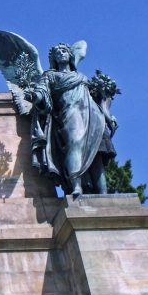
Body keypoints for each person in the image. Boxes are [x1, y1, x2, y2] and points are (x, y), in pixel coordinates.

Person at [25, 43, 107, 198]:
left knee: (97, 153)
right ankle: (76, 186)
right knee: (74, 144)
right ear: (53, 58)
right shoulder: (50, 76)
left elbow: (96, 98)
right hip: (70, 114)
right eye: (57, 52)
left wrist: (107, 114)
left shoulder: (81, 76)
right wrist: (34, 96)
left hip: (93, 115)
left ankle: (104, 194)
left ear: (70, 55)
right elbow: (42, 91)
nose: (61, 53)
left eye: (64, 51)